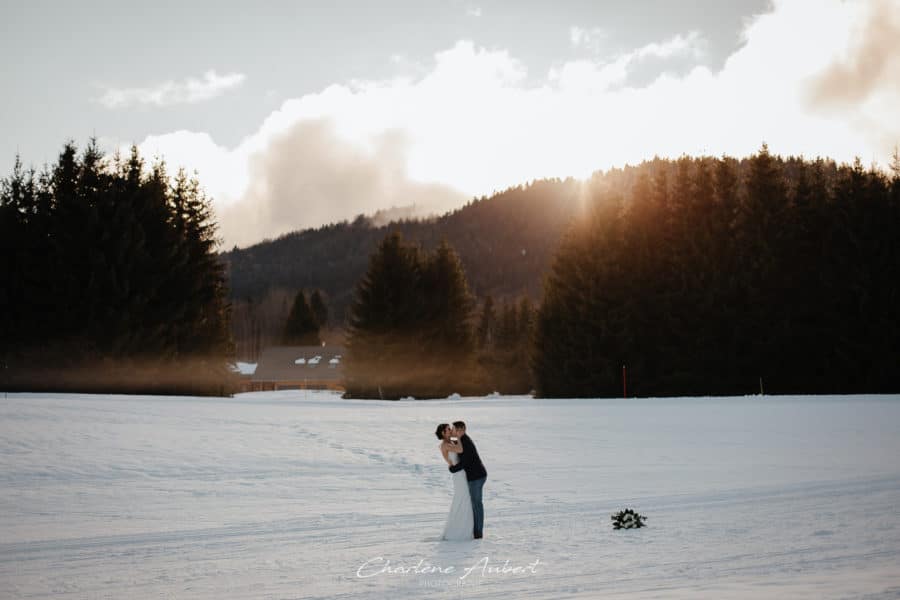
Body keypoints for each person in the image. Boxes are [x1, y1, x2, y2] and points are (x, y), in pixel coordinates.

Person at [447, 421, 487, 539]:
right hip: (472, 476)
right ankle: (473, 529)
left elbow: (464, 462)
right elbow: (453, 444)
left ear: (464, 430)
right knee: (473, 504)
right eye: (455, 430)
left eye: (459, 430)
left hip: (477, 477)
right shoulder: (458, 439)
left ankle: (478, 532)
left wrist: (453, 469)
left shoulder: (466, 443)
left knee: (476, 504)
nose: (456, 432)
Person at [436, 423, 474, 540]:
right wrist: (456, 436)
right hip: (458, 475)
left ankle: (465, 527)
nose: (451, 431)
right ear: (443, 433)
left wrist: (455, 435)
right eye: (448, 429)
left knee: (464, 499)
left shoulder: (450, 440)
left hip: (461, 473)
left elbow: (460, 441)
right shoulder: (444, 445)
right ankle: (459, 530)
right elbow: (460, 449)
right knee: (463, 498)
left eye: (450, 429)